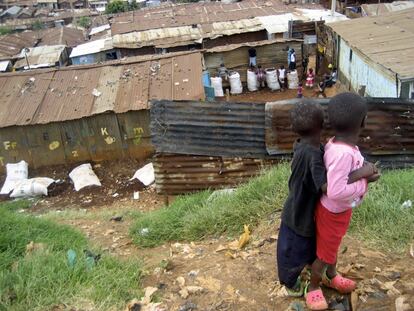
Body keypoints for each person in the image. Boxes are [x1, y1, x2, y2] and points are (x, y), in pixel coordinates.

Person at [276, 100, 369, 298]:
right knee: (292, 252)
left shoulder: (304, 145)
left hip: (302, 208)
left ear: (294, 129)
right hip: (299, 215)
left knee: (312, 247)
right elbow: (330, 188)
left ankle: (319, 273)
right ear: (323, 125)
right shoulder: (313, 155)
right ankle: (291, 285)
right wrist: (361, 174)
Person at [306, 93, 381, 310]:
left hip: (339, 212)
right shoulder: (343, 154)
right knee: (324, 254)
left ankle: (331, 275)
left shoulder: (339, 145)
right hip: (332, 213)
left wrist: (363, 172)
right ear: (363, 122)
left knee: (332, 247)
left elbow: (344, 174)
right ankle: (312, 287)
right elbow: (336, 191)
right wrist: (364, 181)